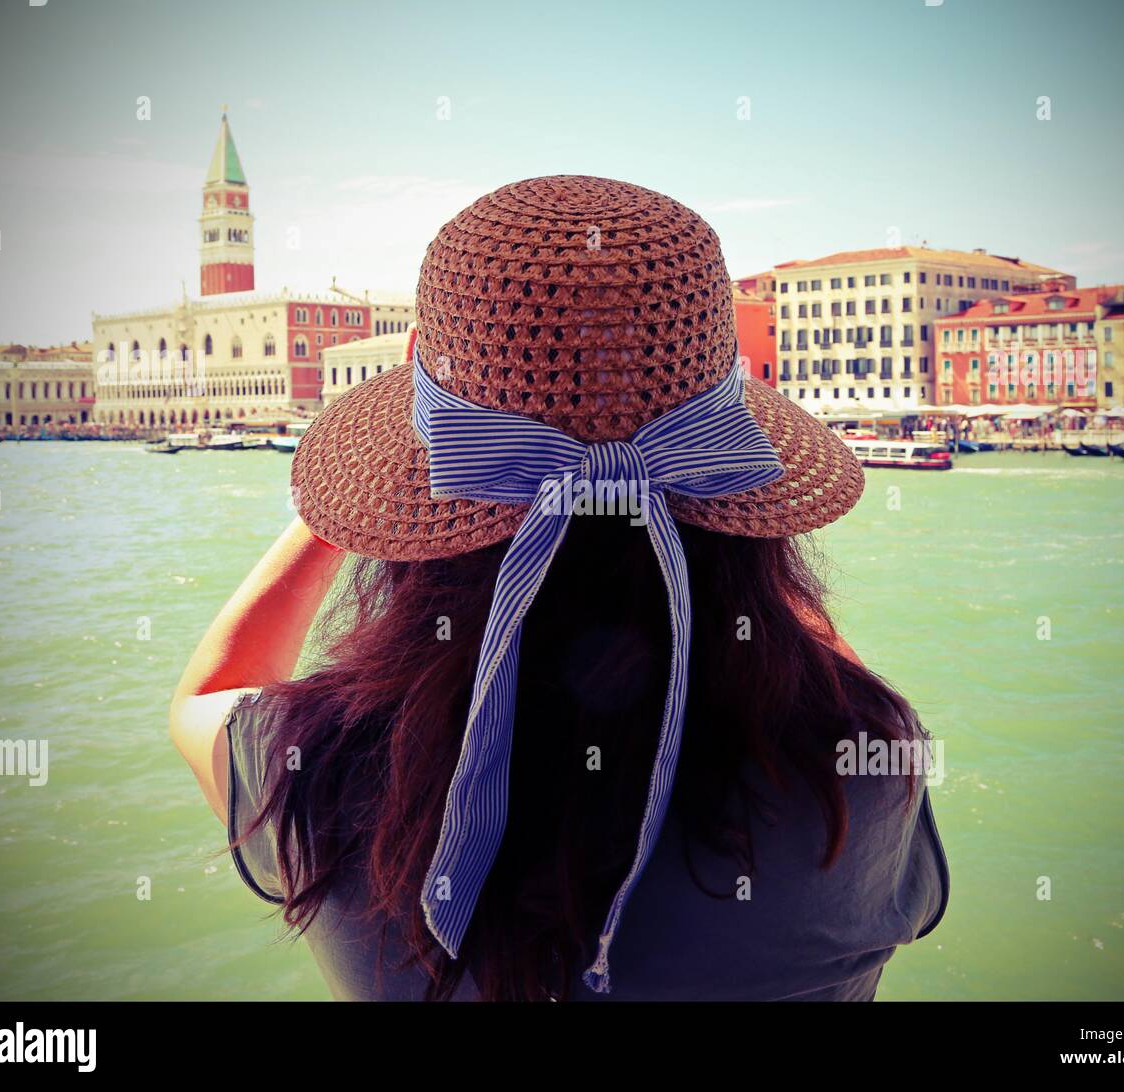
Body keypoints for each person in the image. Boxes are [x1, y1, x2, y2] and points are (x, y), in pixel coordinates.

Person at [170, 176, 949, 1002]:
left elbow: (204, 696)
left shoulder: (315, 764)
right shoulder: (857, 774)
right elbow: (836, 675)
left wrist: (371, 483)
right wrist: (733, 540)